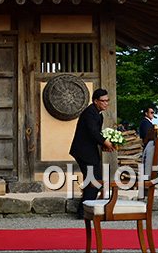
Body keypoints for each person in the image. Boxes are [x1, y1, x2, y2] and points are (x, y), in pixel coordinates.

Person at [69, 88, 115, 219]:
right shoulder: (90, 113)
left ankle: (85, 210)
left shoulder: (98, 113)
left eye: (107, 100)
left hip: (89, 151)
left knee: (95, 180)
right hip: (84, 151)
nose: (106, 103)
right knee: (94, 180)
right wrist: (105, 142)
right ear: (95, 101)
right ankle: (83, 212)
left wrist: (103, 144)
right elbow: (93, 132)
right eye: (103, 101)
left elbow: (95, 134)